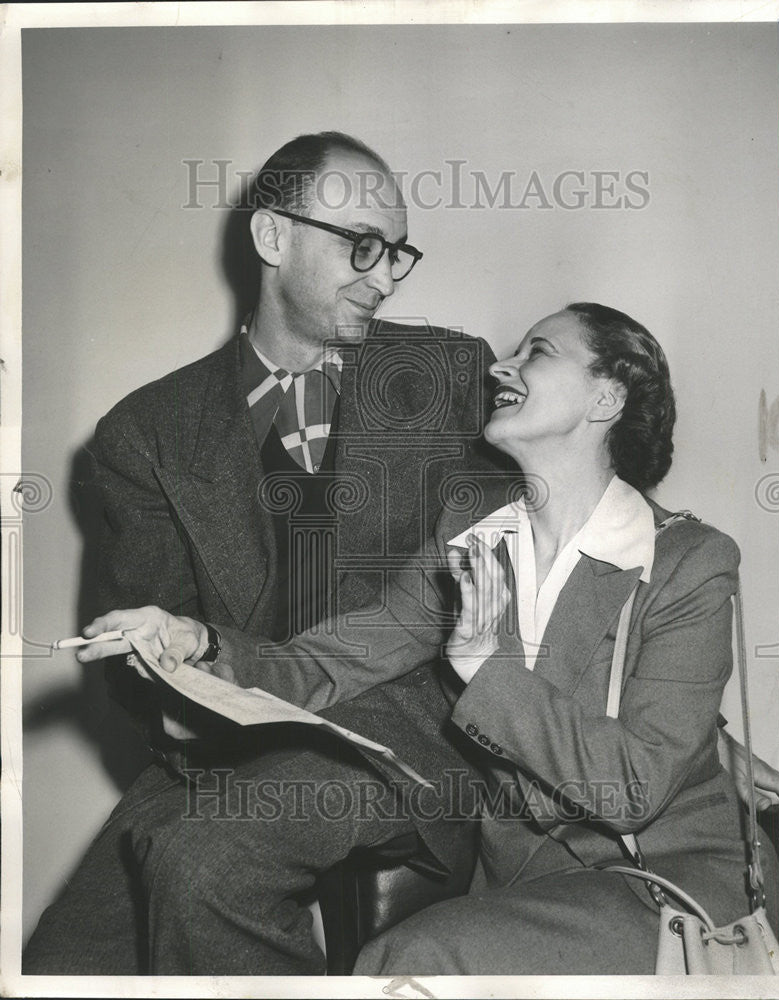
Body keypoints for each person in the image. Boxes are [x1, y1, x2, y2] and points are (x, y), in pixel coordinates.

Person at [83, 303, 779, 975]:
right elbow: (336, 656)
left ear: (607, 397)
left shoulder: (690, 560)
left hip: (659, 888)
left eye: (537, 352)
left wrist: (485, 670)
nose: (502, 368)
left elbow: (632, 789)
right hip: (521, 886)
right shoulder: (472, 534)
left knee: (405, 963)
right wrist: (200, 643)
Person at [22, 132, 509, 975]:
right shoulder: (145, 433)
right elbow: (145, 653)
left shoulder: (451, 373)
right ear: (272, 238)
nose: (385, 276)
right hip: (225, 746)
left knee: (205, 869)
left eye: (398, 253)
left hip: (407, 740)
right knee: (64, 959)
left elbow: (554, 527)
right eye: (361, 245)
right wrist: (160, 680)